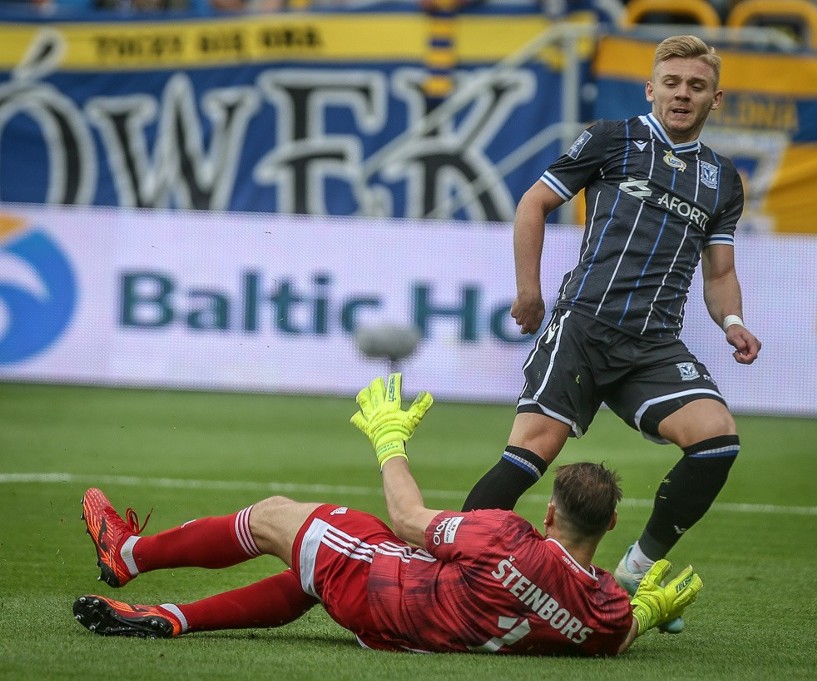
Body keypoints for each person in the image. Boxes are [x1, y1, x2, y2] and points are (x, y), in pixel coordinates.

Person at [460, 34, 761, 633]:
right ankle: (450, 565)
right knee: (528, 457)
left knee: (717, 440)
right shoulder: (611, 139)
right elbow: (532, 204)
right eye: (672, 83)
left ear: (715, 98)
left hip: (651, 345)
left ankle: (630, 574)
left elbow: (720, 271)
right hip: (584, 326)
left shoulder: (723, 180)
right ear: (652, 88)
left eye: (696, 86)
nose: (683, 94)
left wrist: (732, 321)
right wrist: (529, 291)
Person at [73, 374, 702, 655]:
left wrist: (388, 439)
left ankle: (126, 555)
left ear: (548, 514)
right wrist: (647, 610)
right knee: (308, 577)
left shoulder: (509, 537)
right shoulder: (606, 609)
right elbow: (619, 636)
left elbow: (406, 517)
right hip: (421, 632)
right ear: (611, 524)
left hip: (388, 591)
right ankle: (171, 618)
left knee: (272, 517)